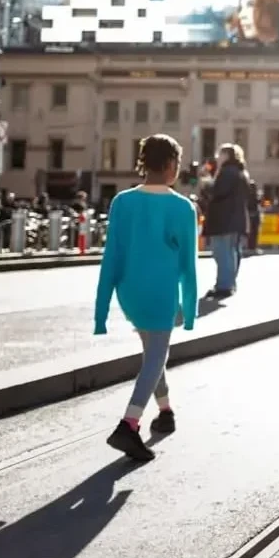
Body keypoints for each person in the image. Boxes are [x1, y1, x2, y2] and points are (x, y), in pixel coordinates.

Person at [94, 134, 199, 462]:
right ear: (169, 164)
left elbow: (111, 257)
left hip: (130, 293)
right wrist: (190, 310)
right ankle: (129, 424)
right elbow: (188, 267)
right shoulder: (182, 207)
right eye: (177, 162)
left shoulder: (122, 202)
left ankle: (165, 411)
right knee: (157, 354)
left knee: (153, 352)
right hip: (161, 291)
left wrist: (101, 312)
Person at [204, 144, 252, 299]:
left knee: (222, 253)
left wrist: (207, 183)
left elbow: (217, 192)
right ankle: (229, 283)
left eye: (220, 154)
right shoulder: (241, 172)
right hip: (235, 219)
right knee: (232, 252)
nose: (217, 157)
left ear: (226, 155)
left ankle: (224, 286)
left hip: (224, 219)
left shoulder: (227, 172)